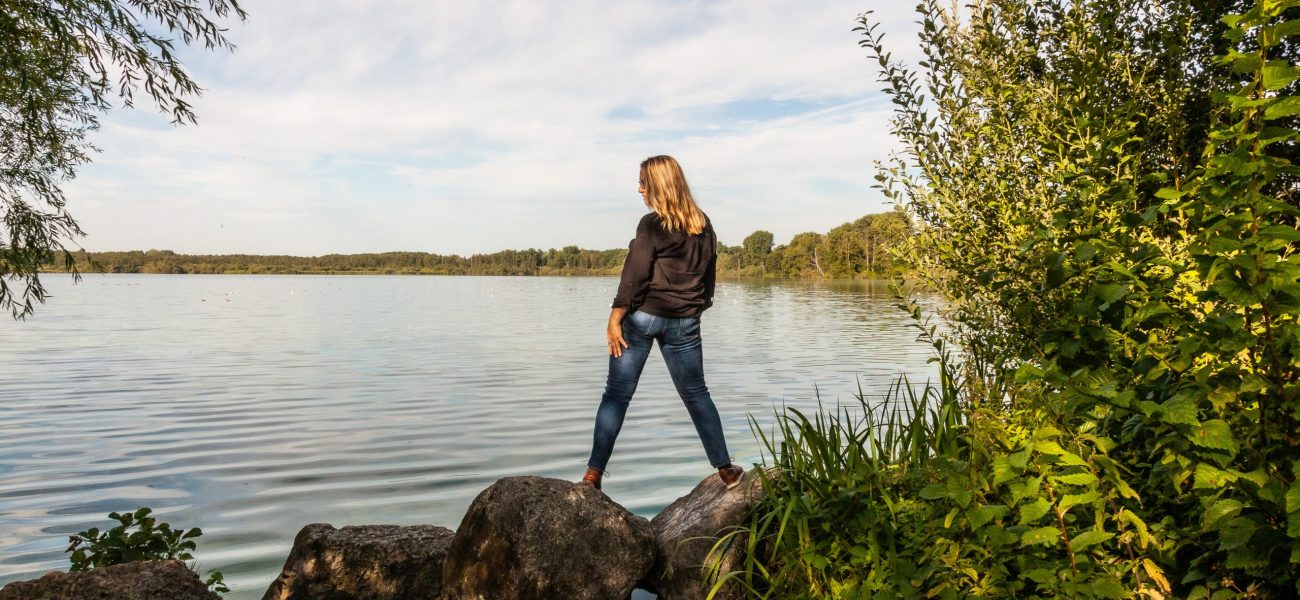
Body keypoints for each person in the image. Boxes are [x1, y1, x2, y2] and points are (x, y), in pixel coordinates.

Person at [580, 155, 743, 491]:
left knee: (616, 396)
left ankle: (593, 476)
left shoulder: (651, 224)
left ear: (658, 185)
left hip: (642, 318)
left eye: (643, 182)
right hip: (685, 321)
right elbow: (708, 276)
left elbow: (635, 274)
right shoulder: (703, 224)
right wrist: (698, 307)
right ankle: (727, 471)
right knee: (697, 395)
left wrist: (615, 318)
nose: (639, 189)